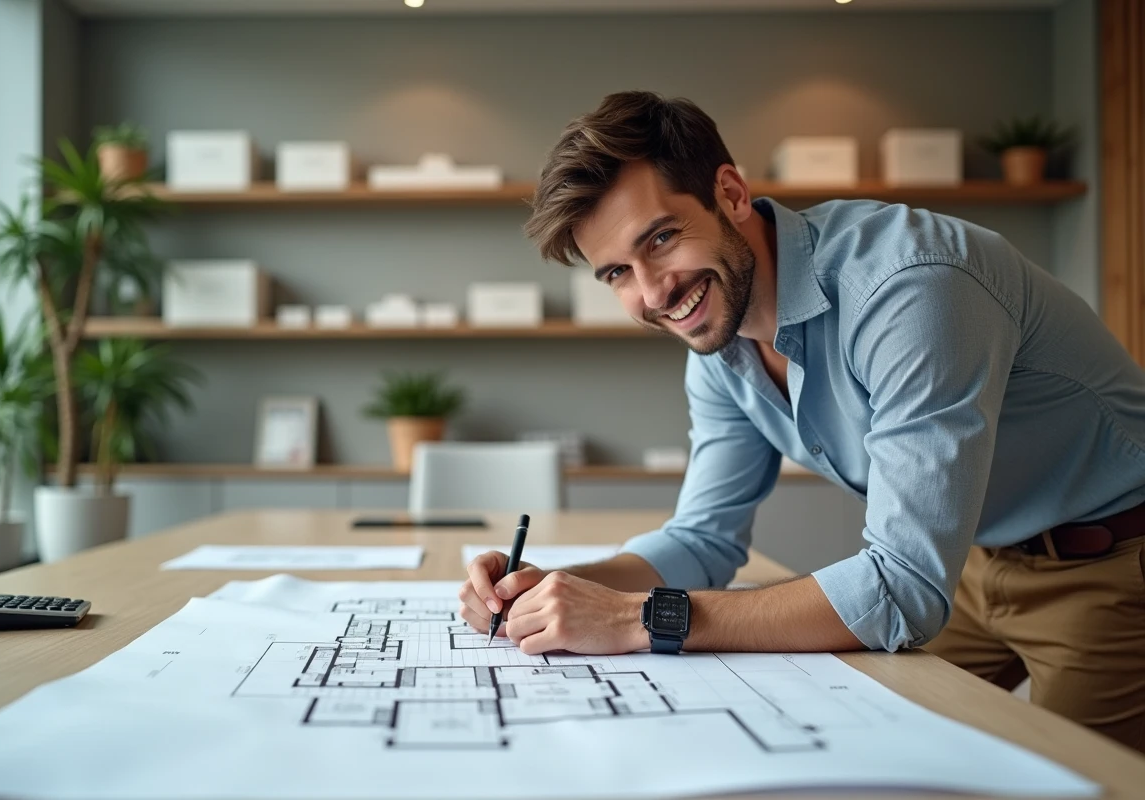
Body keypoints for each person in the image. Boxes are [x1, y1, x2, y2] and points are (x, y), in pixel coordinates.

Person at [457, 90, 1145, 752]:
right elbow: (702, 541)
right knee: (869, 753)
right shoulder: (720, 343)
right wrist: (552, 589)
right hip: (970, 562)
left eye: (661, 238)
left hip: (1110, 563)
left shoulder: (909, 288)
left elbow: (902, 586)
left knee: (1081, 781)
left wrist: (642, 618)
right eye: (617, 273)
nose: (654, 293)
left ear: (730, 193)